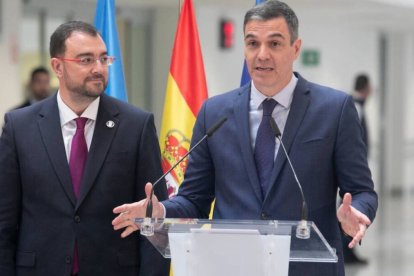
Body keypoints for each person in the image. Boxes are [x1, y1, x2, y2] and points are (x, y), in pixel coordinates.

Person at [112, 1, 378, 275]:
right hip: (232, 266)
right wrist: (161, 212)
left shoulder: (334, 109)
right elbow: (195, 198)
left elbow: (362, 190)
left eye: (274, 44)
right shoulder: (214, 112)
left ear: (295, 48)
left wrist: (358, 211)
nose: (262, 54)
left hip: (307, 267)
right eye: (253, 43)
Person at [0, 21, 170, 276]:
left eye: (103, 59)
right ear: (57, 66)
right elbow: (5, 222)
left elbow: (154, 221)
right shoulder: (19, 126)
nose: (98, 69)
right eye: (86, 60)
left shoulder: (136, 125)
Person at [341, 73, 372, 265]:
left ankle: (350, 252)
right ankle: (348, 252)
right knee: (349, 211)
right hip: (350, 171)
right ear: (366, 87)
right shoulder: (355, 107)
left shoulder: (356, 105)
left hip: (353, 169)